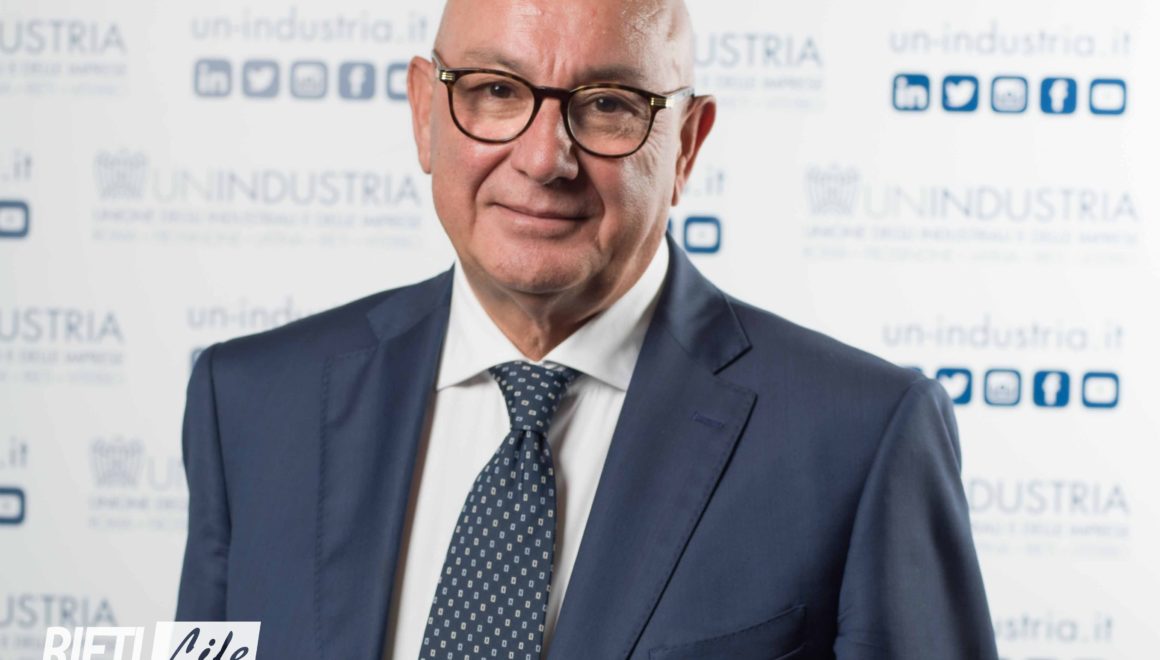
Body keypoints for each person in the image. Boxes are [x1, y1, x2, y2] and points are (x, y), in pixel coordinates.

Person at [176, 0, 999, 658]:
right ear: (426, 110)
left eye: (608, 105)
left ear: (687, 145)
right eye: (496, 91)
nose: (544, 159)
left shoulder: (860, 437)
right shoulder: (250, 402)